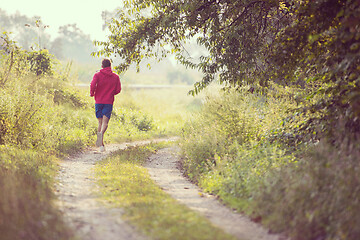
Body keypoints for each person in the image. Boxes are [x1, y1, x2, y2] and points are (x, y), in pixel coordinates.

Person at [90, 59, 121, 152]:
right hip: (108, 102)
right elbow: (118, 89)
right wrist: (111, 93)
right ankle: (101, 138)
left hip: (98, 101)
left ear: (102, 66)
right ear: (110, 65)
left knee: (100, 122)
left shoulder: (97, 75)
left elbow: (92, 84)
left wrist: (92, 93)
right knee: (105, 123)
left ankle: (101, 145)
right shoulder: (115, 77)